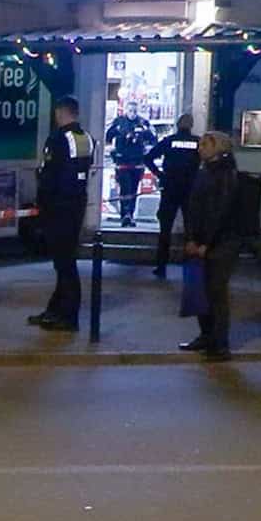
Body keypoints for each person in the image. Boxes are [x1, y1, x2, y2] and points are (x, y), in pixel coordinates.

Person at [29, 96, 94, 332]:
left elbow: (48, 176)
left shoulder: (57, 139)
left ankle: (67, 316)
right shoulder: (85, 138)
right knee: (65, 261)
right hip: (76, 205)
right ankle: (56, 309)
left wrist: (42, 205)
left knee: (64, 264)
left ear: (60, 112)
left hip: (58, 207)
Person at [180, 130, 240, 361]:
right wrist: (191, 239)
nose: (199, 148)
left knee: (216, 293)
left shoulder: (225, 175)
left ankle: (219, 344)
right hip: (202, 241)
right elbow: (195, 208)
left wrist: (206, 243)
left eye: (205, 144)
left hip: (221, 243)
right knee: (201, 291)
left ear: (218, 148)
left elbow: (220, 212)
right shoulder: (204, 172)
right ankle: (206, 336)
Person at [146, 113, 202, 278]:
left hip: (170, 188)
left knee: (165, 229)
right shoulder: (198, 142)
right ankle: (189, 265)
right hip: (190, 190)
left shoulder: (169, 141)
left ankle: (161, 266)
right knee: (190, 230)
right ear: (191, 125)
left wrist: (160, 175)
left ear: (177, 125)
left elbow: (148, 158)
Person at [104, 100, 156, 227]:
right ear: (126, 110)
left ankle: (130, 215)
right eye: (130, 111)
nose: (132, 114)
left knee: (133, 190)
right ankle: (125, 214)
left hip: (137, 162)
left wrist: (145, 143)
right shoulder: (119, 122)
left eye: (135, 111)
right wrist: (113, 149)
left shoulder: (143, 123)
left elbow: (153, 139)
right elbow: (108, 136)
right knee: (125, 188)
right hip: (122, 162)